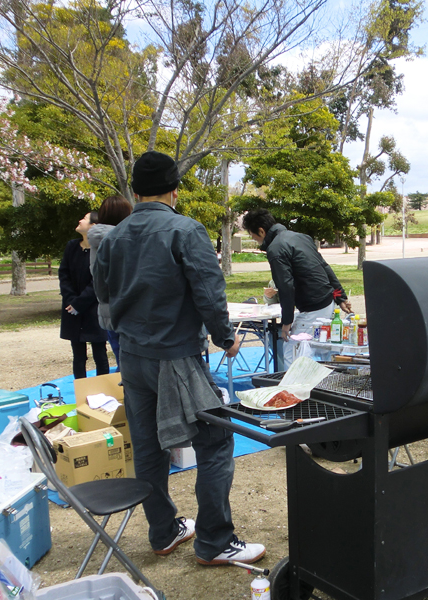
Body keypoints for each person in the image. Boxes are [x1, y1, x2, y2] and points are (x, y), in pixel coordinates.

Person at [93, 151, 266, 566]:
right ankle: (214, 540)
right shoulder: (185, 230)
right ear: (175, 189)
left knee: (149, 447)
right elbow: (209, 293)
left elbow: (103, 295)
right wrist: (225, 338)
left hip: (132, 357)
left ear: (134, 191)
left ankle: (164, 531)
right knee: (216, 442)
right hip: (177, 356)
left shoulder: (112, 237)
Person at [241, 209, 352, 368]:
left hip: (313, 307)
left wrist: (287, 322)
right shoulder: (302, 237)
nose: (256, 241)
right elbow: (324, 267)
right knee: (319, 350)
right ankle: (317, 386)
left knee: (292, 351)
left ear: (261, 231)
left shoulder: (275, 249)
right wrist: (340, 297)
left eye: (254, 237)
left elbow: (286, 286)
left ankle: (295, 391)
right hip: (327, 301)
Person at [59, 212, 110, 380]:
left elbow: (99, 280)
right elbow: (64, 274)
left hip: (93, 308)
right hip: (72, 308)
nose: (80, 220)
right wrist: (71, 300)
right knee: (78, 355)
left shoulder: (101, 249)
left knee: (100, 354)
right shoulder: (72, 246)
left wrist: (80, 303)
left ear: (93, 226)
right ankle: (80, 392)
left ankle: (103, 392)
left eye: (85, 219)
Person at [87, 195, 134, 372]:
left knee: (122, 361)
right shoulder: (122, 239)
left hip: (108, 310)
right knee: (133, 367)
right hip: (129, 311)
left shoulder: (96, 240)